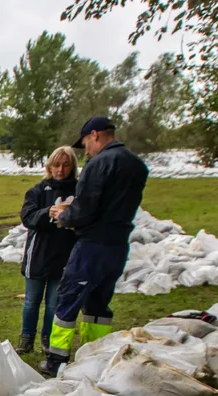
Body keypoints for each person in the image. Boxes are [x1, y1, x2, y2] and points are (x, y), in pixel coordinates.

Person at [41, 116, 149, 377]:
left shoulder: (99, 164)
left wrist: (64, 215)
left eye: (86, 144)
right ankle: (94, 354)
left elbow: (85, 209)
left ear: (95, 135)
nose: (86, 151)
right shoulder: (137, 165)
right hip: (118, 245)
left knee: (69, 298)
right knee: (99, 302)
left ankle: (56, 359)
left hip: (92, 245)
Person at [16, 146, 79, 354]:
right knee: (31, 301)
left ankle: (47, 339)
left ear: (72, 167)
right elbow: (27, 217)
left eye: (66, 165)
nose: (60, 170)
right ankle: (26, 339)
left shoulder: (79, 191)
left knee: (54, 303)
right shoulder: (37, 191)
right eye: (56, 165)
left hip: (64, 256)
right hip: (38, 255)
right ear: (49, 167)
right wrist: (47, 213)